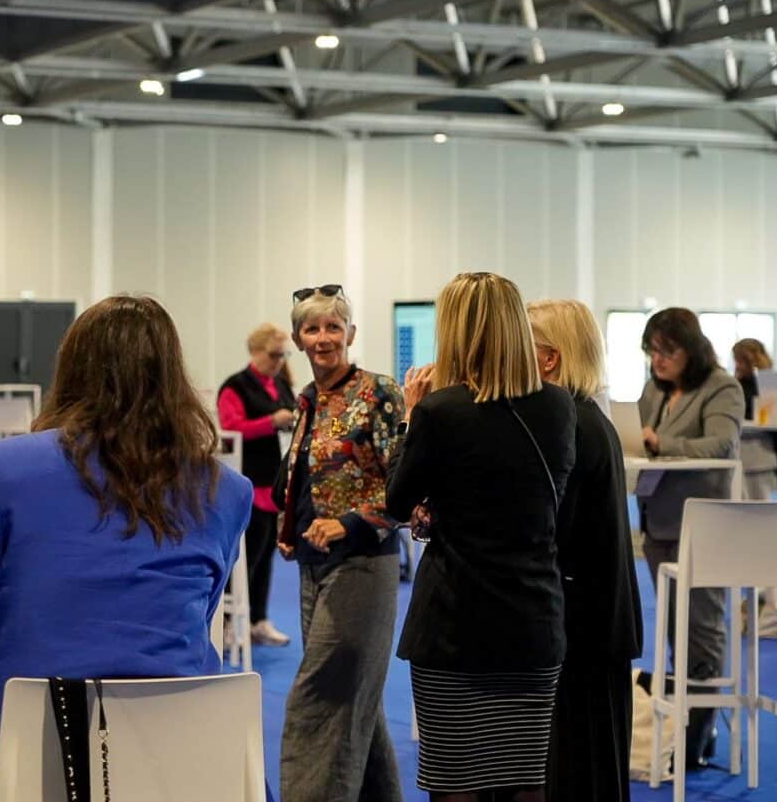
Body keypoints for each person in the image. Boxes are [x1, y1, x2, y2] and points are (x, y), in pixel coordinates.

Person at [0, 295, 251, 802]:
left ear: (71, 369)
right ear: (172, 377)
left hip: (25, 745)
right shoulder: (226, 491)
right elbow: (196, 621)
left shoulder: (5, 470)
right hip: (180, 755)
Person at [387, 272, 575, 802]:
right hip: (533, 620)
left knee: (455, 785)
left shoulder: (438, 411)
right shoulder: (559, 406)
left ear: (456, 331)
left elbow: (397, 502)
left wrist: (408, 418)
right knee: (525, 783)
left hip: (454, 626)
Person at [274, 285, 404, 802]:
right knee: (356, 701)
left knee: (321, 700)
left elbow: (407, 487)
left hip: (362, 563)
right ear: (297, 339)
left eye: (334, 327)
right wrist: (288, 529)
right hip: (312, 565)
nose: (324, 338)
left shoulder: (378, 393)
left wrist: (349, 523)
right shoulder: (307, 400)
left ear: (351, 333)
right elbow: (304, 477)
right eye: (312, 328)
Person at [527, 299, 642, 802]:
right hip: (599, 619)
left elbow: (552, 527)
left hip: (582, 625)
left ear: (550, 358)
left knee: (577, 770)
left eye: (522, 345)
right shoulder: (590, 418)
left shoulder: (566, 424)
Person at [636, 307, 742, 767]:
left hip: (703, 525)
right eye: (652, 351)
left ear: (691, 349)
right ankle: (693, 727)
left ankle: (699, 732)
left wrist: (662, 444)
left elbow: (720, 443)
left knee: (701, 629)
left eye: (667, 351)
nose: (658, 360)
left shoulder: (722, 387)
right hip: (658, 521)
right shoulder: (654, 390)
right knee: (676, 628)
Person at [217, 322, 297, 647]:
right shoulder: (235, 386)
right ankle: (224, 625)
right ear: (256, 351)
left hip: (274, 484)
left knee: (265, 558)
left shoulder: (282, 383)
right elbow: (230, 428)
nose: (279, 361)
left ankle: (258, 620)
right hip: (247, 484)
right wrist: (270, 422)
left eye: (283, 355)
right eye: (274, 355)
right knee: (242, 560)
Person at [732, 338, 777, 500]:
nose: (738, 365)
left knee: (762, 507)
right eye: (736, 360)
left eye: (741, 360)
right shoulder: (733, 384)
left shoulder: (771, 381)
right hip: (738, 455)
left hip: (763, 456)